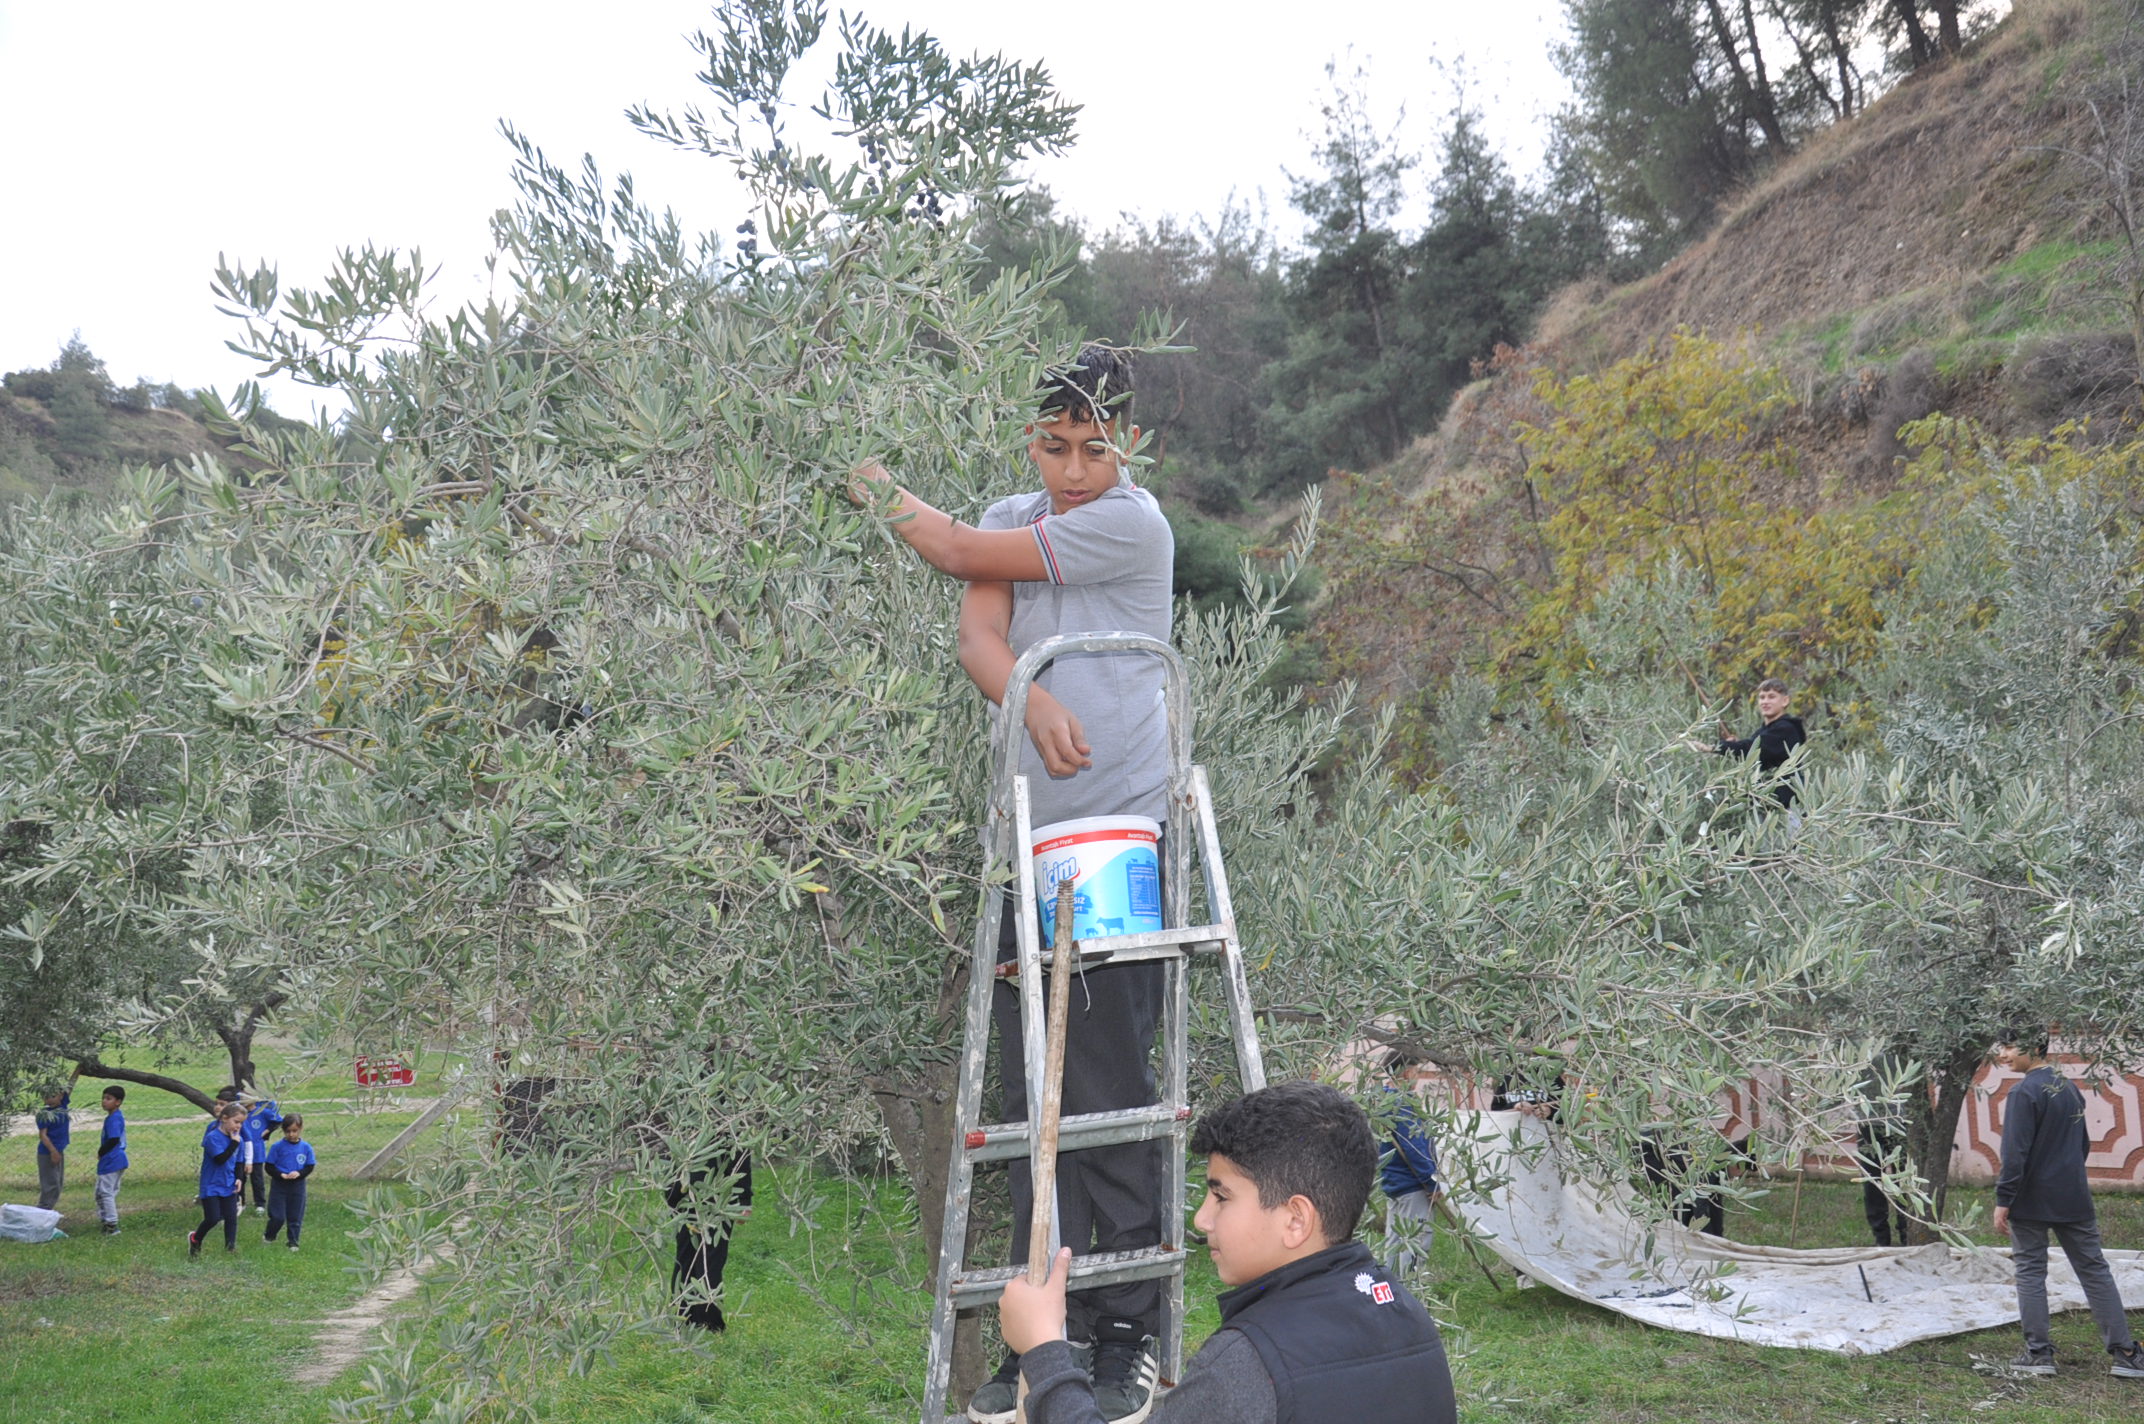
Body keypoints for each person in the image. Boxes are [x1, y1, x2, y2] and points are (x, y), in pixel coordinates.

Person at [852, 347, 1172, 1424]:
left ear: (1126, 445)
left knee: (1108, 1080)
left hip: (1115, 836)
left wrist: (847, 464)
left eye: (1096, 447)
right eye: (1054, 445)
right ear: (1027, 439)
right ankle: (1050, 1330)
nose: (1075, 468)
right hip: (1024, 837)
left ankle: (1122, 1328)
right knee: (1031, 1091)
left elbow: (943, 547)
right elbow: (978, 635)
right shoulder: (1013, 512)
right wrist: (1028, 701)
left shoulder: (1130, 522)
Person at [999, 1080, 1458, 1424]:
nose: (1201, 1220)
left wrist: (1043, 1350)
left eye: (1221, 1197)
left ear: (1295, 1220)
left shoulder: (1248, 1363)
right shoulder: (1403, 1313)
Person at [1989, 1028, 2144, 1379]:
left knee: (2030, 1271)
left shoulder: (2023, 1092)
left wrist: (2004, 1199)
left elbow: (2014, 1154)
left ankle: (2038, 1354)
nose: (2003, 1055)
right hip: (2073, 1196)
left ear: (2035, 1045)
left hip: (2029, 1200)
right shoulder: (2068, 1087)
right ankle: (2126, 1353)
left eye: (2010, 1046)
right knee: (2095, 1271)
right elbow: (2083, 1145)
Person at [666, 1149, 753, 1332]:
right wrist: (743, 1199)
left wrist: (743, 1199)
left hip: (706, 1197)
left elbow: (740, 1151)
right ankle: (703, 1322)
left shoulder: (719, 1122)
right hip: (695, 1197)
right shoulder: (723, 1121)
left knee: (696, 1259)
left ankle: (694, 1319)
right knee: (699, 1259)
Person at [1375, 1051, 1439, 1278]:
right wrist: (1431, 1183)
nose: (1417, 1078)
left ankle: (1390, 1284)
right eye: (1417, 1072)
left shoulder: (1380, 1101)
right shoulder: (1402, 1104)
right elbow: (1415, 1147)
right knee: (1415, 1238)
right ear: (1406, 1072)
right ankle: (1411, 1288)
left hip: (1393, 1182)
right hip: (1412, 1184)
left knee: (1395, 1237)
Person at [1715, 677, 1807, 810]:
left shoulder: (1786, 729)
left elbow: (1752, 749)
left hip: (1787, 808)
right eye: (1762, 697)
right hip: (1766, 804)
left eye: (1771, 697)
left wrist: (1715, 747)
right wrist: (1734, 745)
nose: (1765, 702)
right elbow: (1756, 752)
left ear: (1785, 701)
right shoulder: (1765, 730)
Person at [190, 1103, 246, 1257]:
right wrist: (234, 1143)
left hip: (228, 1183)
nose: (238, 1126)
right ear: (224, 1118)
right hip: (211, 1185)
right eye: (236, 1122)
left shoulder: (237, 1139)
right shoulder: (212, 1138)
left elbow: (239, 1161)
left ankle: (230, 1247)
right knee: (213, 1218)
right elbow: (220, 1159)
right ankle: (195, 1238)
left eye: (241, 1123)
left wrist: (239, 1178)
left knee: (231, 1217)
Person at [262, 1114, 316, 1250]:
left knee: (295, 1216)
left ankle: (293, 1241)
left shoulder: (306, 1148)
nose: (291, 1134)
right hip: (279, 1186)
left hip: (297, 1186)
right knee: (277, 1216)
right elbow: (269, 1166)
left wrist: (299, 1173)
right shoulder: (277, 1147)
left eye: (294, 1131)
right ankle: (269, 1236)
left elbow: (309, 1166)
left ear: (301, 1129)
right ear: (283, 1130)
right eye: (288, 1131)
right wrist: (281, 1175)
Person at [33, 1072, 75, 1211]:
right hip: (48, 1153)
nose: (49, 1100)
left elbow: (71, 1084)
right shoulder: (44, 1113)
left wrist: (79, 1069)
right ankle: (43, 1210)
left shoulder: (62, 1106)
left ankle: (47, 1211)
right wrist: (53, 1152)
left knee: (58, 1183)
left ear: (61, 1096)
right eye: (46, 1097)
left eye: (53, 1096)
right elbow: (43, 1135)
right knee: (50, 1184)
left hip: (58, 1151)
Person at [240, 1092, 284, 1213]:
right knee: (240, 1178)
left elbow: (278, 1120)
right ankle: (240, 1202)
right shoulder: (241, 1114)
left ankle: (260, 1204)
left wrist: (268, 1131)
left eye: (245, 1098)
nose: (242, 1100)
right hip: (241, 1151)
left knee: (257, 1178)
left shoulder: (262, 1112)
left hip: (257, 1151)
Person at [93, 1085, 127, 1236]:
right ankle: (106, 1219)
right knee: (103, 1192)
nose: (104, 1101)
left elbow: (113, 1139)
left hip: (111, 1161)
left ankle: (111, 1225)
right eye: (103, 1098)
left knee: (105, 1193)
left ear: (118, 1102)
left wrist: (101, 1151)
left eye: (108, 1099)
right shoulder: (115, 1116)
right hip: (117, 1160)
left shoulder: (113, 1119)